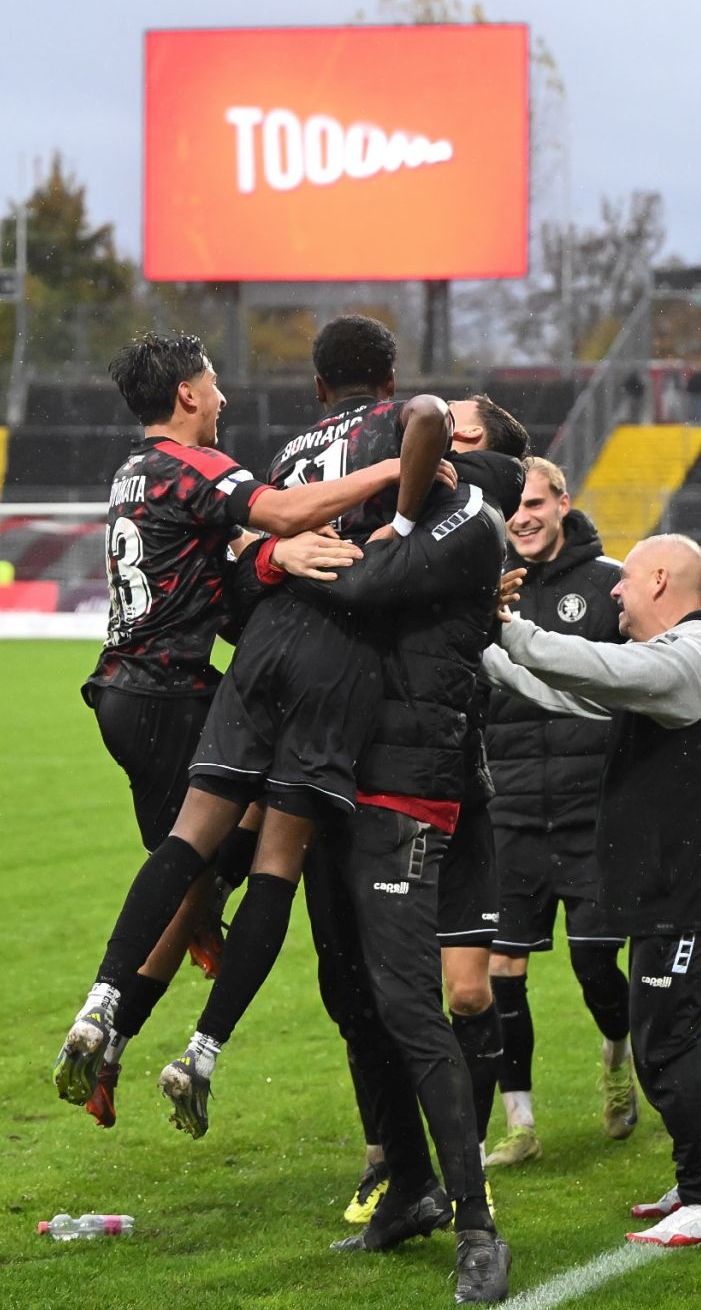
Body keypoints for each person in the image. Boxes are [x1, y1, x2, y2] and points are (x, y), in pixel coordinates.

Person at [50, 318, 449, 1127]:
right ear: (187, 393)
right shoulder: (197, 462)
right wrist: (387, 472)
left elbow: (231, 557)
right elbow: (283, 510)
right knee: (258, 852)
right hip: (175, 693)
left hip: (123, 691)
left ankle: (122, 1006)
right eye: (213, 383)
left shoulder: (134, 471)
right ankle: (127, 1033)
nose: (224, 397)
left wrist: (269, 555)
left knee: (198, 858)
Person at [271, 446, 526, 1301]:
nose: (430, 457)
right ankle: (411, 1186)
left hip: (406, 793)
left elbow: (360, 585)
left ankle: (479, 1225)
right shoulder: (426, 526)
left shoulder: (471, 519)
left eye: (452, 445)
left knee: (411, 1006)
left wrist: (287, 551)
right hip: (343, 785)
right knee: (355, 999)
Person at [485, 534, 701, 1250]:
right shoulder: (671, 665)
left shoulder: (696, 652)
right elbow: (566, 690)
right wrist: (482, 647)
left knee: (667, 1041)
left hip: (686, 889)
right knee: (664, 1035)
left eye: (627, 579)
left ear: (661, 580)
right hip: (668, 888)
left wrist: (508, 627)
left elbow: (597, 665)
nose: (614, 590)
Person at [478, 457, 635, 1169]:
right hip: (508, 810)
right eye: (513, 508)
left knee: (594, 961)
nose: (523, 519)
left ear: (564, 503)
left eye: (535, 504)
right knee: (501, 969)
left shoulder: (610, 585)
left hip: (591, 810)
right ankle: (520, 1123)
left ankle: (617, 1051)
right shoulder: (484, 588)